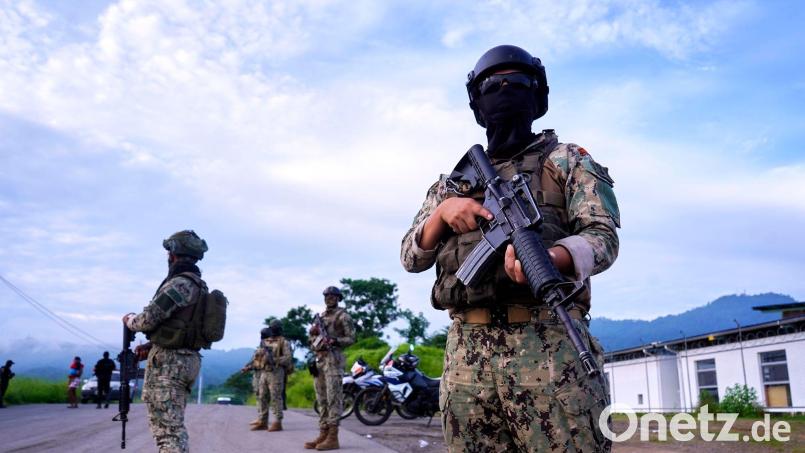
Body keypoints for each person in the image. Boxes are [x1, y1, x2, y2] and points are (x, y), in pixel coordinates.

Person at [401, 45, 620, 452]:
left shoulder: (567, 160)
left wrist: (553, 259)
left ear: (536, 95)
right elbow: (410, 258)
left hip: (551, 346)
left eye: (516, 83)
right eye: (492, 86)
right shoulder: (451, 185)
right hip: (466, 358)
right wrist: (442, 214)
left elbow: (602, 237)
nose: (504, 91)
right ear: (477, 102)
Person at [122, 230, 209, 453]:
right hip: (187, 360)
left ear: (173, 254)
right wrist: (152, 345)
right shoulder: (200, 286)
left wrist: (129, 320)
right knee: (173, 427)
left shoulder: (180, 283)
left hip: (170, 364)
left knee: (168, 433)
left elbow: (149, 318)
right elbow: (183, 326)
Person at [303, 286, 355, 451]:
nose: (329, 298)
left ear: (338, 298)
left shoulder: (343, 316)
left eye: (333, 296)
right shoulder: (321, 317)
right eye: (326, 296)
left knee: (333, 398)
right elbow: (311, 341)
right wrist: (313, 334)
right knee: (322, 399)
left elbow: (351, 338)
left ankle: (333, 437)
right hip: (320, 360)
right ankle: (323, 434)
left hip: (333, 360)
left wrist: (335, 340)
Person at [242, 321, 293, 432]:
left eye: (275, 328)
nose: (273, 330)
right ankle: (263, 421)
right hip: (264, 372)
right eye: (272, 328)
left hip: (276, 372)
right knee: (262, 396)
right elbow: (258, 357)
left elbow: (288, 358)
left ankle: (277, 422)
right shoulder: (266, 341)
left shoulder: (284, 342)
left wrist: (273, 360)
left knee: (275, 397)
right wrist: (249, 367)